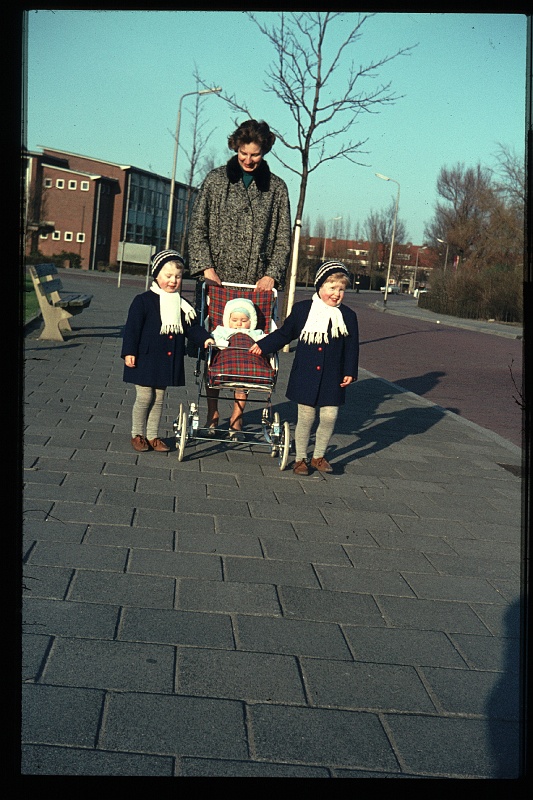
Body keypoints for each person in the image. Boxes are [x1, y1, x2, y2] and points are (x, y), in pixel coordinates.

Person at [187, 118, 291, 433]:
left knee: (247, 344)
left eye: (255, 155)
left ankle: (237, 415)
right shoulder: (216, 181)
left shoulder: (276, 188)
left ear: (265, 152)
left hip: (255, 281)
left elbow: (283, 238)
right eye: (244, 153)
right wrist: (206, 267)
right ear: (236, 148)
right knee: (216, 343)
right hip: (218, 278)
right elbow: (197, 226)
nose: (248, 160)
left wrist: (272, 273)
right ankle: (213, 411)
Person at [250, 261, 359, 475]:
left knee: (329, 417)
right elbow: (285, 334)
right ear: (320, 286)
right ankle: (300, 459)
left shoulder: (348, 316)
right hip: (307, 374)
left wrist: (350, 371)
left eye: (341, 289)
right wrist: (263, 345)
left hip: (332, 376)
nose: (336, 294)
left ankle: (318, 456)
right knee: (306, 417)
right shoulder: (303, 310)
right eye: (332, 288)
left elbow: (352, 347)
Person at [121, 249, 214, 452]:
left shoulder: (182, 305)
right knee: (145, 397)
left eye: (178, 277)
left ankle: (153, 436)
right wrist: (129, 352)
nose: (173, 281)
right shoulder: (143, 301)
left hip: (166, 360)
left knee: (159, 398)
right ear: (156, 275)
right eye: (168, 276)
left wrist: (205, 338)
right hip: (144, 358)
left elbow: (192, 327)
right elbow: (132, 329)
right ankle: (138, 434)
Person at [208, 297, 266, 441]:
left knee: (243, 379)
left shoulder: (255, 333)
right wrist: (221, 343)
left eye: (244, 321)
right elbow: (214, 338)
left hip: (247, 362)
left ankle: (237, 419)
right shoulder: (222, 330)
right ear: (228, 320)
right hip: (226, 360)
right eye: (234, 320)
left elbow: (265, 341)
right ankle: (212, 415)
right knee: (211, 372)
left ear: (251, 322)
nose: (239, 324)